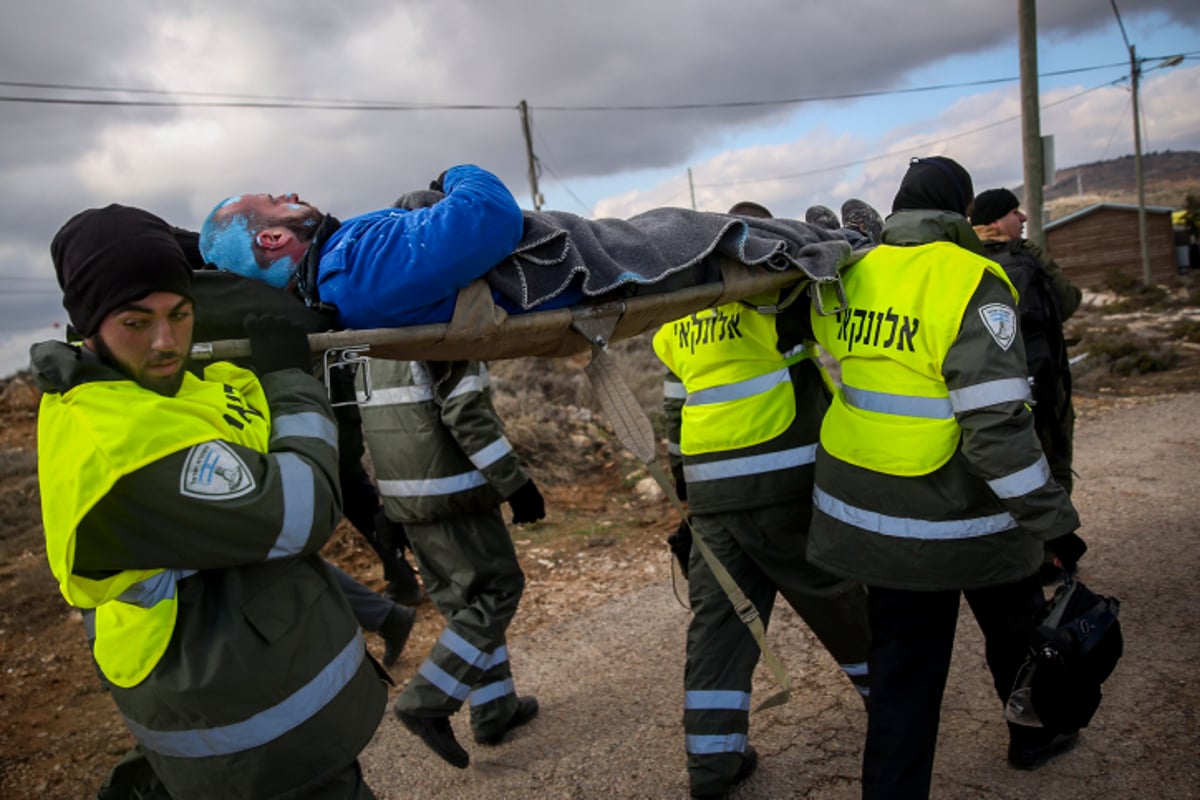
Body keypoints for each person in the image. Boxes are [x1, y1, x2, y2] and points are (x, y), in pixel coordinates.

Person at [33, 204, 388, 798]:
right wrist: (291, 384)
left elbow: (236, 425)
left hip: (243, 686)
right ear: (89, 325)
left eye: (180, 314)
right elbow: (302, 510)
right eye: (136, 322)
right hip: (249, 739)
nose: (167, 342)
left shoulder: (154, 385)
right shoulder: (124, 446)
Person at [805, 157, 1084, 799]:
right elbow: (995, 430)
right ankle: (1036, 733)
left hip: (879, 511)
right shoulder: (972, 280)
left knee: (903, 670)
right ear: (960, 211)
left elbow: (829, 336)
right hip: (968, 508)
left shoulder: (851, 271)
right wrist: (1055, 524)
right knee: (1015, 624)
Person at [654, 200, 873, 800]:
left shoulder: (675, 317)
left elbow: (676, 407)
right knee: (838, 601)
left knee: (720, 628)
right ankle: (896, 708)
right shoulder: (775, 294)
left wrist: (686, 490)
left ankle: (712, 766)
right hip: (784, 481)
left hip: (711, 491)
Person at [356, 357, 544, 769]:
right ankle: (426, 700)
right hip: (456, 495)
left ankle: (495, 710)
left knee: (467, 606)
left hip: (407, 501)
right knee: (497, 591)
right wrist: (515, 483)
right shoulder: (442, 332)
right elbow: (465, 412)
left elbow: (380, 425)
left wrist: (390, 507)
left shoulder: (372, 342)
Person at [971, 187, 1087, 582]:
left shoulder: (964, 260)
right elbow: (1069, 301)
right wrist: (1036, 254)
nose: (1021, 219)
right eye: (1013, 213)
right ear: (995, 221)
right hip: (1044, 386)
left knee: (998, 468)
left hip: (986, 390)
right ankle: (1048, 556)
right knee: (1051, 464)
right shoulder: (1026, 261)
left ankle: (1003, 555)